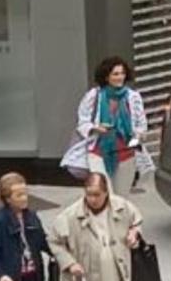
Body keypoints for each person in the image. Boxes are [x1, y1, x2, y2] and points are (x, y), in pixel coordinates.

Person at [60, 57, 154, 195]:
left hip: (126, 154)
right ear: (106, 77)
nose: (120, 77)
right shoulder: (94, 95)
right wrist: (96, 128)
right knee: (103, 194)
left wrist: (138, 136)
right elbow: (83, 121)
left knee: (121, 199)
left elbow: (141, 124)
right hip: (98, 153)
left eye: (122, 73)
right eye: (115, 74)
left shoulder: (133, 97)